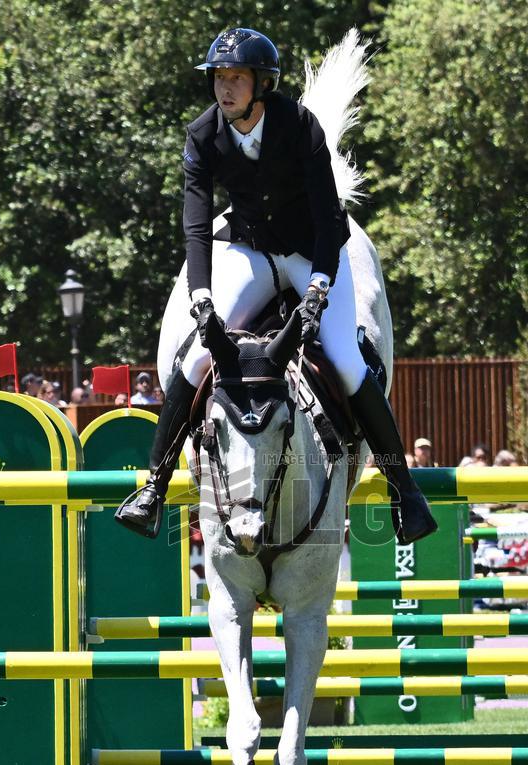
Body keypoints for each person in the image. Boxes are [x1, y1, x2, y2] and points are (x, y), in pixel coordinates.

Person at [116, 27, 436, 544]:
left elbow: (329, 220)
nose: (224, 89)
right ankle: (154, 486)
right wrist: (202, 298)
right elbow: (196, 227)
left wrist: (318, 291)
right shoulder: (202, 134)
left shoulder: (300, 126)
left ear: (262, 83)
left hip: (312, 251)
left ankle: (405, 491)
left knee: (347, 360)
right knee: (196, 358)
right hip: (251, 251)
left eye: (236, 78)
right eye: (219, 78)